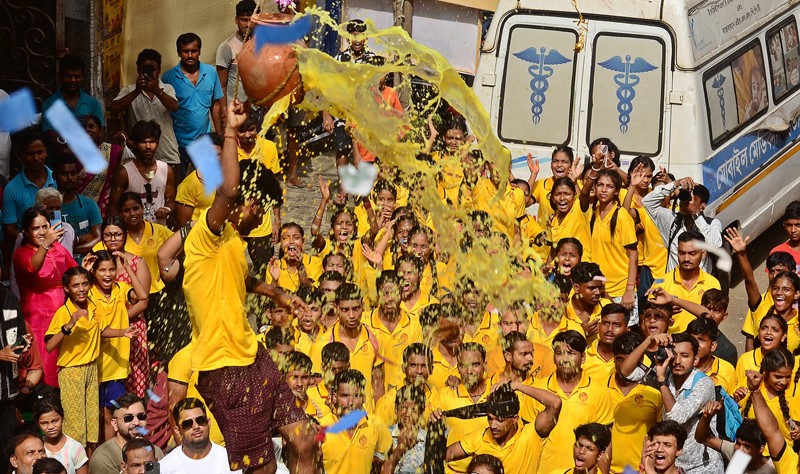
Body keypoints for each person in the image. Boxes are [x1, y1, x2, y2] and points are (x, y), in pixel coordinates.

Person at [182, 100, 315, 473]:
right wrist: (230, 130)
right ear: (248, 202)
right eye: (259, 208)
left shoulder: (235, 243)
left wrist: (278, 293)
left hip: (253, 357)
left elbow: (242, 279)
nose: (259, 216)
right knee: (262, 469)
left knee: (305, 441)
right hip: (223, 369)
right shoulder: (205, 236)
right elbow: (226, 190)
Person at [13, 207, 77, 387]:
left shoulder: (59, 249)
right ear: (25, 231)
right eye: (35, 228)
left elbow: (72, 273)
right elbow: (33, 268)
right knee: (43, 368)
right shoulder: (21, 254)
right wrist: (45, 245)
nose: (42, 232)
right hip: (38, 321)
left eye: (45, 226)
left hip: (62, 317)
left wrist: (85, 269)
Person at [537, 330, 614, 474]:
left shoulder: (599, 392)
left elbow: (605, 443)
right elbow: (527, 439)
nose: (565, 359)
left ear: (583, 358)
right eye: (559, 353)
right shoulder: (538, 390)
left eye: (571, 353)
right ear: (553, 358)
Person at [444, 382, 562, 473]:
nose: (493, 425)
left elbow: (555, 403)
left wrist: (517, 386)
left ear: (515, 419)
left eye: (500, 420)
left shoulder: (530, 436)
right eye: (490, 418)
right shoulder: (479, 437)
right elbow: (443, 455)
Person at [654, 332, 723, 473]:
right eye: (674, 355)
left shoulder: (703, 383)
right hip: (674, 465)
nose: (678, 361)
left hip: (703, 467)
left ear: (696, 359)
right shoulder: (666, 376)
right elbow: (628, 374)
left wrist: (661, 382)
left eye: (685, 356)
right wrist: (649, 342)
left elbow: (677, 418)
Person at [162, 32, 224, 181]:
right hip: (178, 143)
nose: (190, 55)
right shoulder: (168, 77)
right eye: (185, 51)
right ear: (179, 52)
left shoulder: (210, 72)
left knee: (207, 182)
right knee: (180, 183)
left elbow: (215, 105)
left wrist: (219, 135)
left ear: (199, 51)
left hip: (204, 140)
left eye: (194, 51)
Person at [580, 168, 639, 316]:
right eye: (600, 185)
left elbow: (633, 255)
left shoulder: (622, 217)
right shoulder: (593, 212)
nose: (603, 190)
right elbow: (583, 195)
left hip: (620, 290)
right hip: (598, 289)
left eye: (609, 186)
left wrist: (629, 290)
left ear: (617, 191)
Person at [110, 49, 180, 167]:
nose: (150, 73)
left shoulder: (167, 88)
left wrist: (157, 91)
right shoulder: (129, 90)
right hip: (139, 155)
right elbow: (114, 108)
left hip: (166, 152)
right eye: (146, 69)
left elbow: (174, 106)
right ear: (138, 69)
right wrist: (137, 91)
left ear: (159, 70)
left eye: (153, 69)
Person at [642, 176, 722, 275]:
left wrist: (695, 215)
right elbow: (647, 202)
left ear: (702, 206)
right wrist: (675, 184)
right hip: (675, 286)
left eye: (690, 200)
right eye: (683, 198)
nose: (684, 203)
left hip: (701, 286)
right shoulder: (672, 219)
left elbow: (715, 244)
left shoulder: (712, 224)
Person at [607, 332, 662, 473]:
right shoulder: (600, 389)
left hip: (641, 470)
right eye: (620, 359)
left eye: (631, 359)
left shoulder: (653, 393)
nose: (625, 365)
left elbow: (661, 434)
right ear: (613, 358)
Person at [0, 284, 40, 474]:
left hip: (8, 395)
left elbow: (19, 336)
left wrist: (23, 344)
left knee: (7, 453)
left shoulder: (9, 299)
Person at [319, 369, 391, 474]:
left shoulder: (375, 424)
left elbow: (387, 459)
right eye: (345, 395)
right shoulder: (321, 428)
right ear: (334, 397)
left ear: (363, 398)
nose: (351, 402)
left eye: (356, 395)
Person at [651, 230, 721, 333]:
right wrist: (664, 312)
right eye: (682, 253)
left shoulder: (713, 283)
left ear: (703, 253)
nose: (686, 258)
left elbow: (714, 318)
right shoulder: (661, 283)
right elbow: (649, 319)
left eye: (692, 253)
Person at [109, 120, 176, 226]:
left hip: (159, 232)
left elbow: (171, 202)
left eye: (152, 141)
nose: (148, 146)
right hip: (132, 232)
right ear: (134, 144)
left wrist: (166, 209)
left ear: (157, 143)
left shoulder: (166, 170)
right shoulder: (124, 173)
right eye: (143, 142)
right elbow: (113, 206)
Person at [364, 270, 421, 390]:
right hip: (370, 400)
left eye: (394, 293)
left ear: (402, 293)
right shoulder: (364, 323)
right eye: (385, 293)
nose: (390, 299)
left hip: (404, 398)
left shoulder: (414, 324)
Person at [3, 130, 57, 254]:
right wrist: (38, 242)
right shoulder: (11, 189)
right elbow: (9, 229)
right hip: (27, 253)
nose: (36, 158)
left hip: (57, 249)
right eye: (30, 154)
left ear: (46, 152)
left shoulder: (57, 179)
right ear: (22, 155)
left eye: (39, 152)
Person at [624, 157, 669, 302]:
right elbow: (625, 214)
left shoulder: (655, 194)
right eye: (642, 175)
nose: (645, 180)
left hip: (648, 260)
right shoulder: (623, 194)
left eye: (649, 176)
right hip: (629, 256)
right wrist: (632, 185)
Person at [160, 398, 241, 474]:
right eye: (187, 424)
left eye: (200, 420)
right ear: (178, 431)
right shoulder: (165, 468)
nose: (196, 427)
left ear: (209, 423)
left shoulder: (231, 461)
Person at [89, 393, 164, 474]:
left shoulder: (156, 452)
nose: (136, 422)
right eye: (128, 418)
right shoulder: (104, 458)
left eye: (141, 416)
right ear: (115, 424)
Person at [41, 55, 105, 148]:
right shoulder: (50, 105)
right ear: (60, 77)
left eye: (77, 76)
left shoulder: (92, 103)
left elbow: (100, 134)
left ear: (83, 77)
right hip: (59, 160)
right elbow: (52, 138)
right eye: (68, 76)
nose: (73, 80)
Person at [696, 404, 775, 474]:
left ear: (761, 449)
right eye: (738, 443)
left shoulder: (773, 469)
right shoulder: (734, 453)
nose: (740, 449)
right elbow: (702, 438)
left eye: (747, 446)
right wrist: (706, 417)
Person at [374, 343, 436, 427]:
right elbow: (379, 436)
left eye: (424, 366)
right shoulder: (387, 402)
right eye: (413, 365)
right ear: (403, 368)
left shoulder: (435, 395)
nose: (419, 371)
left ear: (431, 369)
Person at [53, 158, 102, 261]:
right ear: (54, 176)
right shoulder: (50, 207)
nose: (70, 178)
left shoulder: (89, 204)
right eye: (64, 174)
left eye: (73, 173)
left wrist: (69, 249)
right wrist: (85, 238)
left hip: (86, 265)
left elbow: (98, 239)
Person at [216, 0, 256, 109]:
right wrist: (224, 114)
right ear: (236, 20)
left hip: (258, 108)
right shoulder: (227, 47)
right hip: (237, 110)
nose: (248, 24)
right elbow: (221, 86)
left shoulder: (264, 44)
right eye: (244, 20)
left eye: (251, 20)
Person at [33, 397, 88, 474]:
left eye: (55, 421)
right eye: (44, 423)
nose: (51, 427)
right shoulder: (37, 450)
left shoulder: (75, 448)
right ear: (37, 423)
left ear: (63, 418)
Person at [380, 385, 427, 474]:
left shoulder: (428, 440)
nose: (407, 414)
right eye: (404, 408)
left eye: (413, 410)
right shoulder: (384, 435)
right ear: (396, 409)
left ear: (421, 413)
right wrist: (400, 449)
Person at [685, 317, 736, 394]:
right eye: (691, 339)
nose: (695, 344)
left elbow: (731, 403)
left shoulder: (727, 370)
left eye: (701, 340)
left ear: (713, 346)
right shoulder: (680, 365)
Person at [582, 303, 629, 380]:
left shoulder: (635, 359)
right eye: (606, 323)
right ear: (599, 325)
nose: (610, 329)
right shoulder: (583, 357)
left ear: (627, 330)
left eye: (616, 324)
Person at [770, 201, 800, 270]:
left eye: (798, 225)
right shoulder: (778, 252)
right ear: (784, 225)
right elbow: (773, 279)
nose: (793, 230)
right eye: (789, 225)